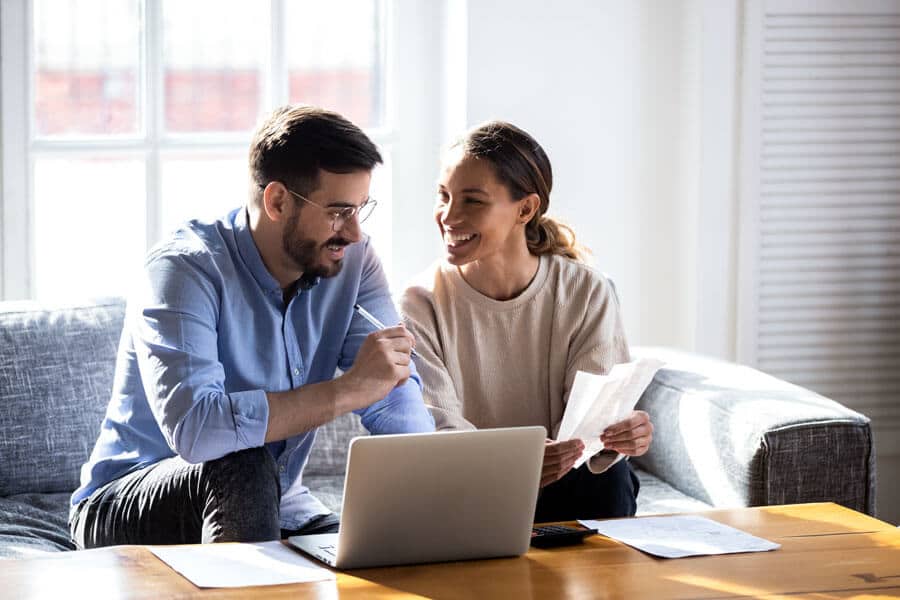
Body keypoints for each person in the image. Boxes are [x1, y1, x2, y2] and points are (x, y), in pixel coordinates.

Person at [69, 105, 434, 548]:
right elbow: (198, 430)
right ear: (278, 201)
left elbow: (393, 389)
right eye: (339, 212)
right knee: (242, 462)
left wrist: (432, 487)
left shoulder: (353, 261)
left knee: (380, 554)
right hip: (127, 500)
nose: (354, 232)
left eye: (361, 209)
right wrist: (347, 390)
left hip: (280, 504)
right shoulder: (183, 271)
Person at [400, 121, 653, 521]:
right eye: (443, 195)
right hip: (471, 487)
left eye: (472, 201)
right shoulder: (420, 302)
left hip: (570, 482)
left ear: (526, 208)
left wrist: (619, 435)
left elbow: (591, 425)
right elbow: (438, 430)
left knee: (607, 477)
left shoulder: (586, 290)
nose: (449, 216)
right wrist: (519, 463)